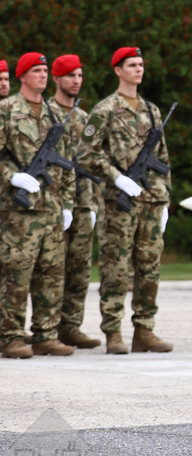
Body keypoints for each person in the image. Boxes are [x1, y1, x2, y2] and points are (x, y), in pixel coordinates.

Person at [78, 47, 173, 354]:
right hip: (118, 202)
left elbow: (162, 158)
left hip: (151, 200)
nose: (138, 69)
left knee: (149, 268)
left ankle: (144, 330)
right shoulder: (105, 110)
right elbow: (86, 154)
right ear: (118, 70)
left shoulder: (152, 110)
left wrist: (165, 199)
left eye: (141, 64)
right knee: (115, 269)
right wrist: (116, 177)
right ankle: (113, 332)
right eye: (132, 65)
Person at [0, 52, 76, 359]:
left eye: (45, 70)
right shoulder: (7, 109)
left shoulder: (55, 113)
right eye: (36, 70)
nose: (43, 75)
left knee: (52, 275)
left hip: (52, 208)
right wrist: (11, 176)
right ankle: (11, 336)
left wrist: (68, 204)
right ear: (22, 76)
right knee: (17, 275)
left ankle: (46, 335)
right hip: (19, 211)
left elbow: (67, 162)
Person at [51, 54, 102, 349]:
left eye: (80, 75)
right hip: (52, 203)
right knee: (49, 269)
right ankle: (44, 329)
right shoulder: (46, 114)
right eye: (70, 75)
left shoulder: (84, 118)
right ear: (57, 79)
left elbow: (94, 162)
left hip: (83, 203)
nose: (76, 81)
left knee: (80, 268)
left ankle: (70, 327)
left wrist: (94, 204)